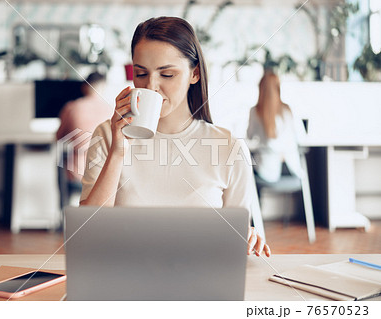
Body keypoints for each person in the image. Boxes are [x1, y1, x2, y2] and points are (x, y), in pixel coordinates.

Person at [80, 17, 270, 257]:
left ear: (195, 74)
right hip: (123, 277)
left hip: (199, 281)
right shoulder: (107, 136)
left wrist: (244, 238)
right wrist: (117, 153)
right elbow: (86, 236)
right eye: (140, 74)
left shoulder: (228, 147)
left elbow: (232, 243)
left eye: (167, 75)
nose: (151, 87)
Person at [56, 72, 113, 198]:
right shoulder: (111, 110)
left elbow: (58, 137)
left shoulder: (72, 108)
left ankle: (63, 213)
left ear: (84, 87)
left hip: (77, 176)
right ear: (103, 87)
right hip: (103, 176)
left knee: (60, 161)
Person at [246, 71, 306, 184]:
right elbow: (302, 137)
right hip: (292, 171)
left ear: (260, 89)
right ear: (278, 88)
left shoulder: (255, 111)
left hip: (266, 173)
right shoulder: (288, 110)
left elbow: (249, 137)